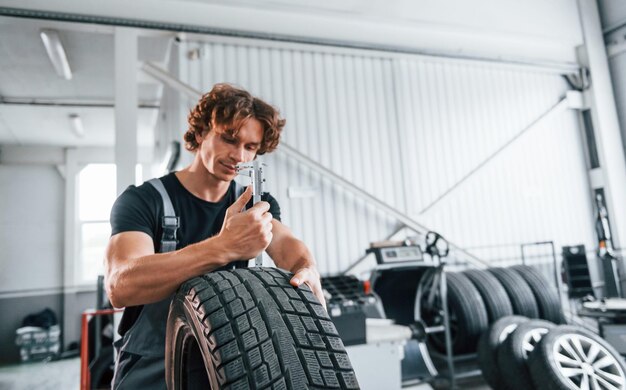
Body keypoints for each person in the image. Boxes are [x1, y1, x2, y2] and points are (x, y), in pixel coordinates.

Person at [104, 83, 324, 389]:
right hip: (152, 367)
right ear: (199, 134)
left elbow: (287, 244)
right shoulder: (145, 200)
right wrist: (223, 247)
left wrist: (307, 267)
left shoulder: (255, 202)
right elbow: (120, 286)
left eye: (250, 146)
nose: (238, 155)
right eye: (229, 139)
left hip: (224, 360)